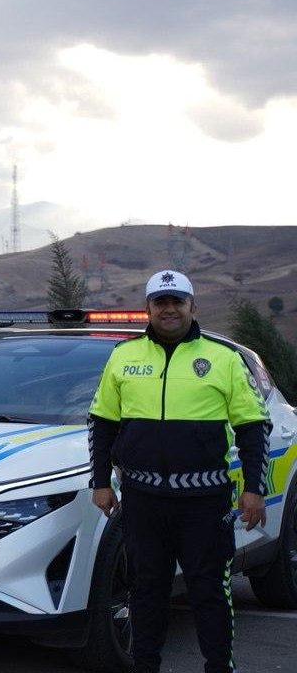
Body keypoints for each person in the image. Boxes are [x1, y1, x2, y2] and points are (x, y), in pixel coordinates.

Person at [89, 270, 271, 673]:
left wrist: (254, 489)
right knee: (146, 591)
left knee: (209, 593)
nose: (169, 309)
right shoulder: (124, 355)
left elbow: (253, 427)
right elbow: (102, 422)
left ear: (193, 306)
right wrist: (100, 481)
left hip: (204, 504)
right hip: (142, 502)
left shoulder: (223, 359)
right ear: (149, 309)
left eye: (177, 302)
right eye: (160, 302)